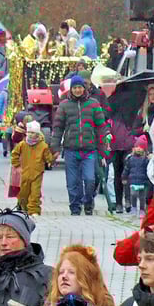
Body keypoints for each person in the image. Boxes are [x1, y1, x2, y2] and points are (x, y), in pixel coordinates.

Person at [51, 75, 110, 216]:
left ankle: (88, 203)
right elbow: (58, 127)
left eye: (80, 87)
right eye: (75, 88)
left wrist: (104, 144)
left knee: (90, 179)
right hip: (71, 148)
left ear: (84, 89)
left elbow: (101, 126)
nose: (77, 90)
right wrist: (55, 148)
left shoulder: (94, 104)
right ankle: (75, 207)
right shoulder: (64, 105)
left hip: (89, 149)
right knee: (72, 182)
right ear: (71, 89)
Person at [12, 121, 54, 215]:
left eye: (33, 133)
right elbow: (14, 154)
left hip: (37, 173)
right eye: (29, 132)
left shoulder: (43, 146)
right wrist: (17, 165)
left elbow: (48, 157)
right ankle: (22, 207)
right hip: (24, 173)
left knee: (35, 193)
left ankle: (34, 210)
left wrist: (50, 160)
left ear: (37, 133)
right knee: (23, 192)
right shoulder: (22, 144)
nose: (31, 135)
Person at [123, 137, 153, 219]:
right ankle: (134, 207)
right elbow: (127, 169)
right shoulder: (130, 159)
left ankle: (142, 209)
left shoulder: (146, 160)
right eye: (137, 147)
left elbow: (149, 170)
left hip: (143, 182)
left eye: (141, 147)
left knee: (142, 197)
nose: (139, 149)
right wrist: (124, 177)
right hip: (133, 181)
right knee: (133, 194)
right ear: (134, 148)